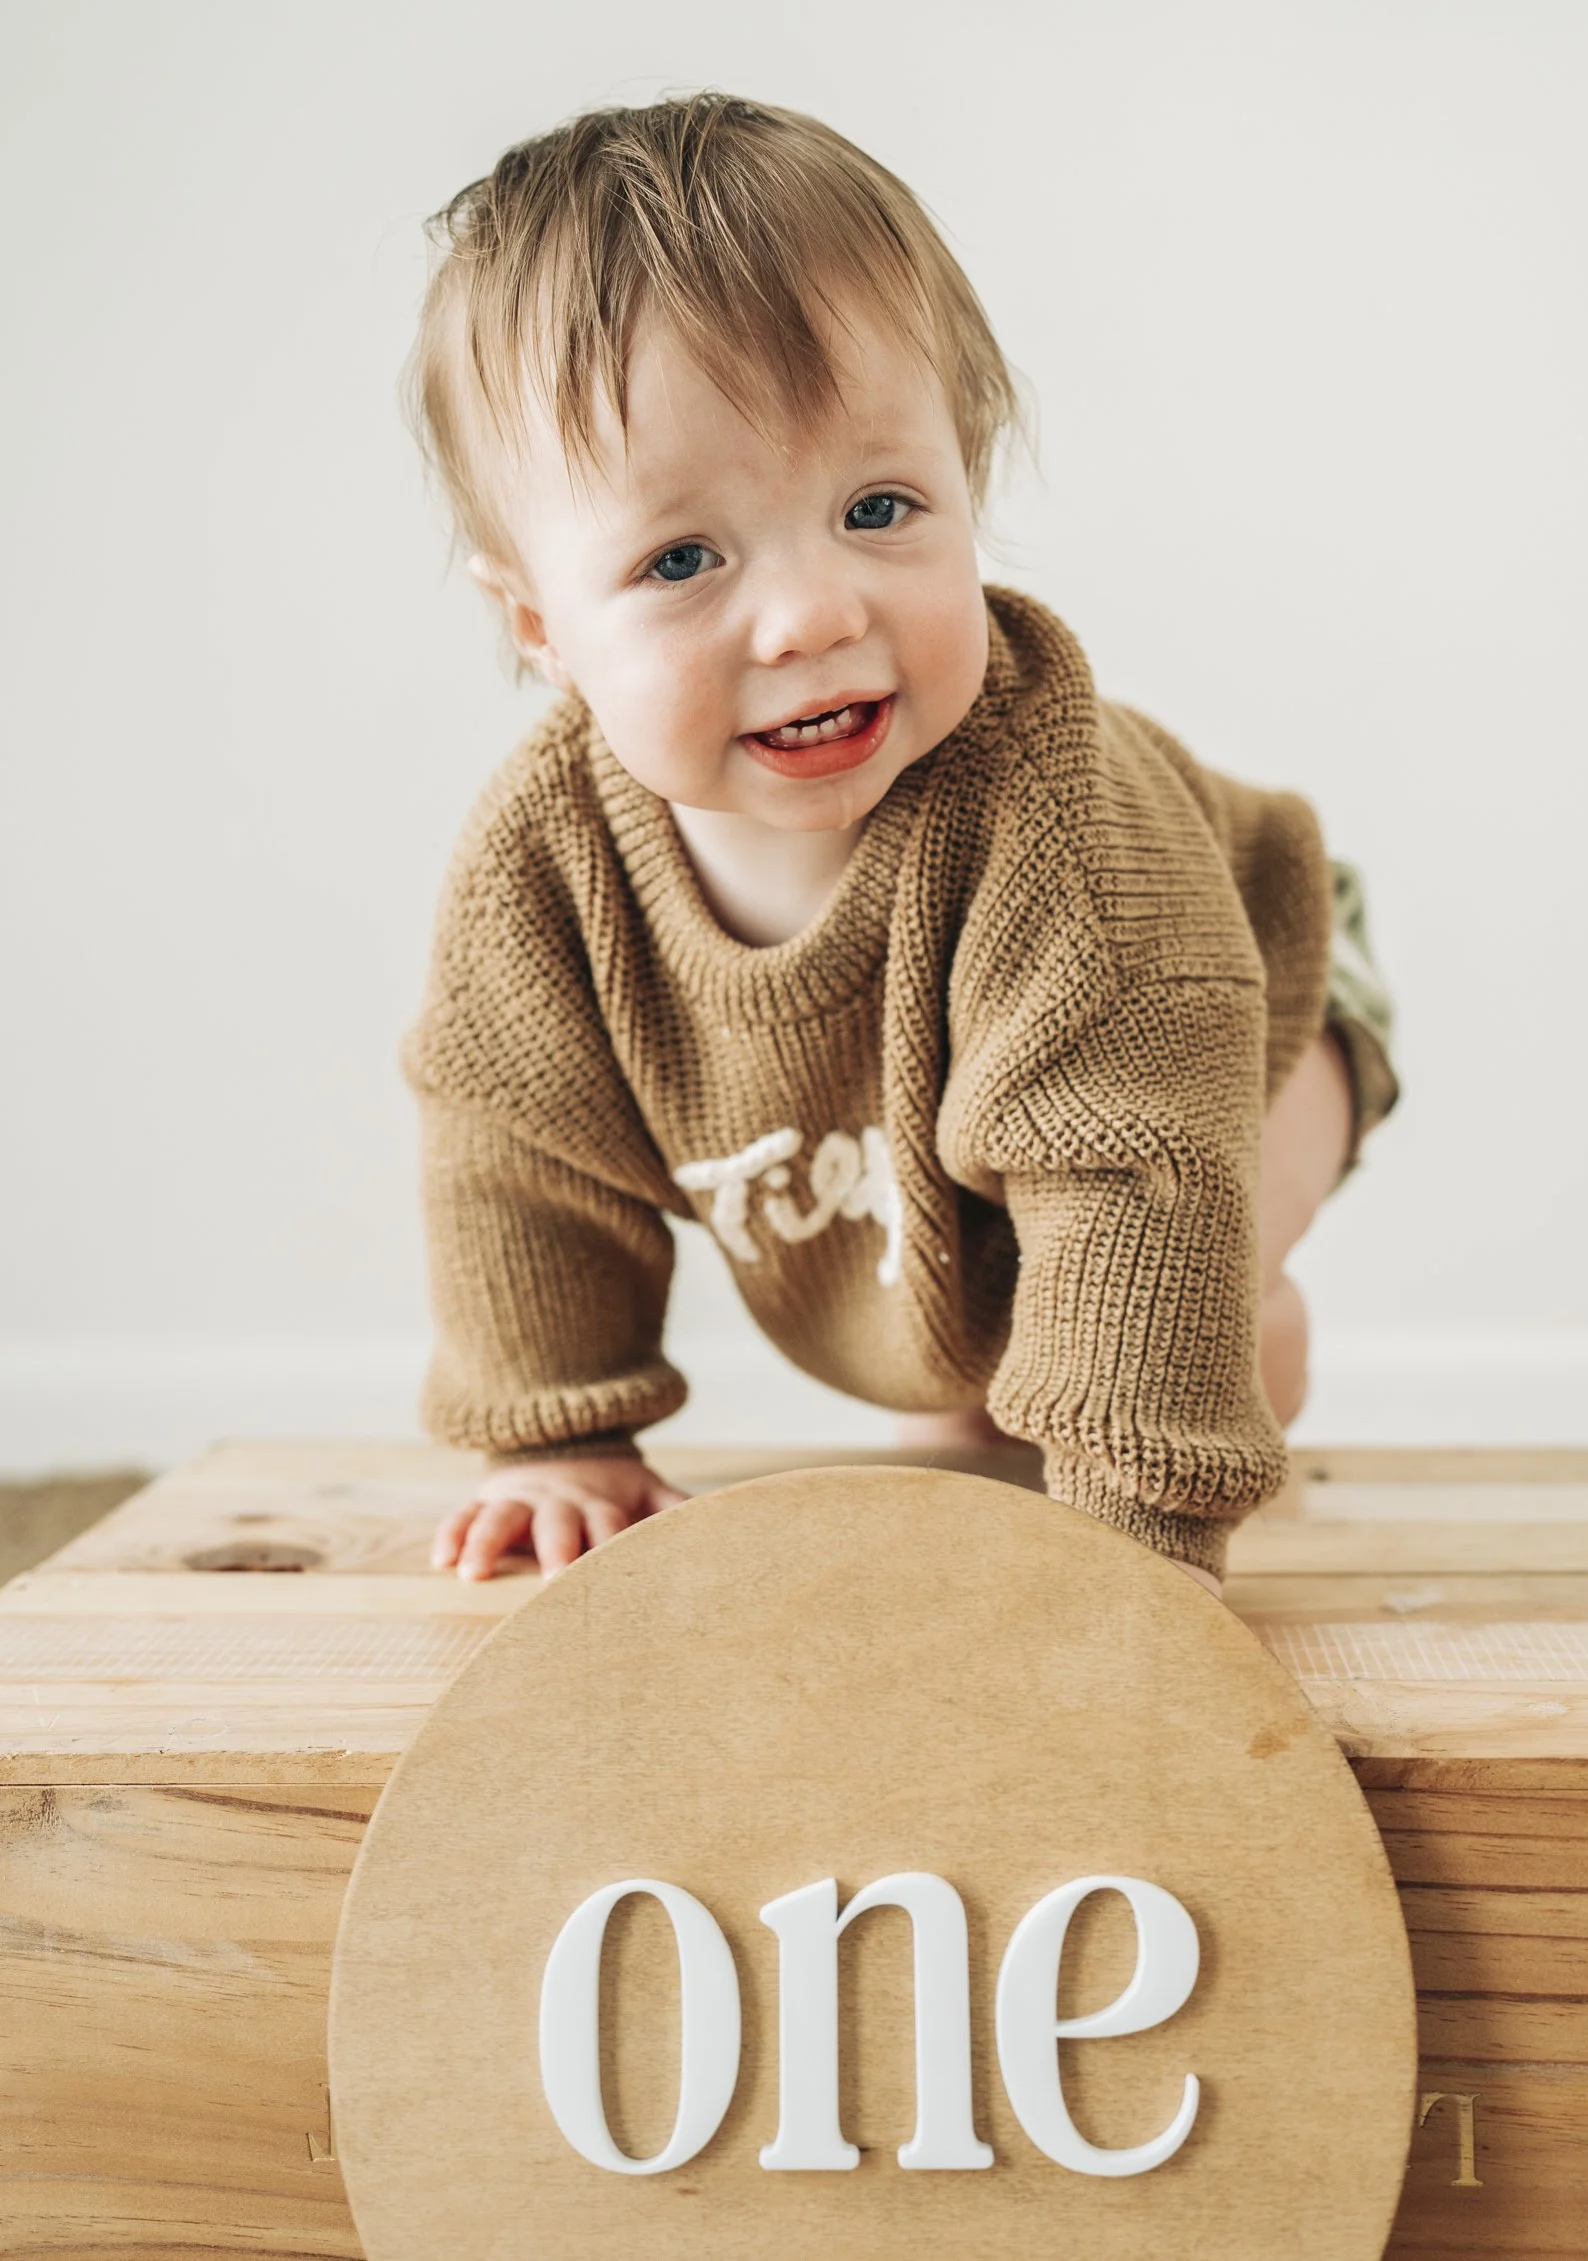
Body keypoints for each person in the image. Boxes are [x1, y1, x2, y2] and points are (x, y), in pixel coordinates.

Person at [405, 93, 1398, 1601]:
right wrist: (560, 1431)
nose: (811, 613)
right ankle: (1105, 1369)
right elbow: (513, 1149)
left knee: (1165, 1267)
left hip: (1236, 984)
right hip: (940, 1122)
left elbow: (1137, 1173)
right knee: (981, 1398)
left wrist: (1135, 1530)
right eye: (682, 559)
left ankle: (1230, 1338)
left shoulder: (1057, 827)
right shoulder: (547, 872)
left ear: (967, 489)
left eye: (879, 508)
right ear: (543, 626)